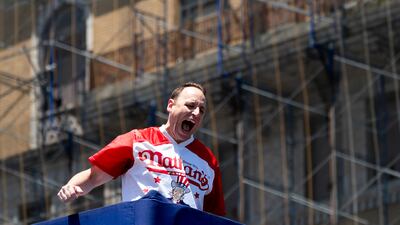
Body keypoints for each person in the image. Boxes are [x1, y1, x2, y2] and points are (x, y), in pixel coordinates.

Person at [57, 82, 226, 216]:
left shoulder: (208, 161)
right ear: (170, 105)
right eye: (190, 105)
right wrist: (71, 187)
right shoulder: (137, 140)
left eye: (201, 110)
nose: (196, 113)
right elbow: (93, 177)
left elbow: (215, 217)